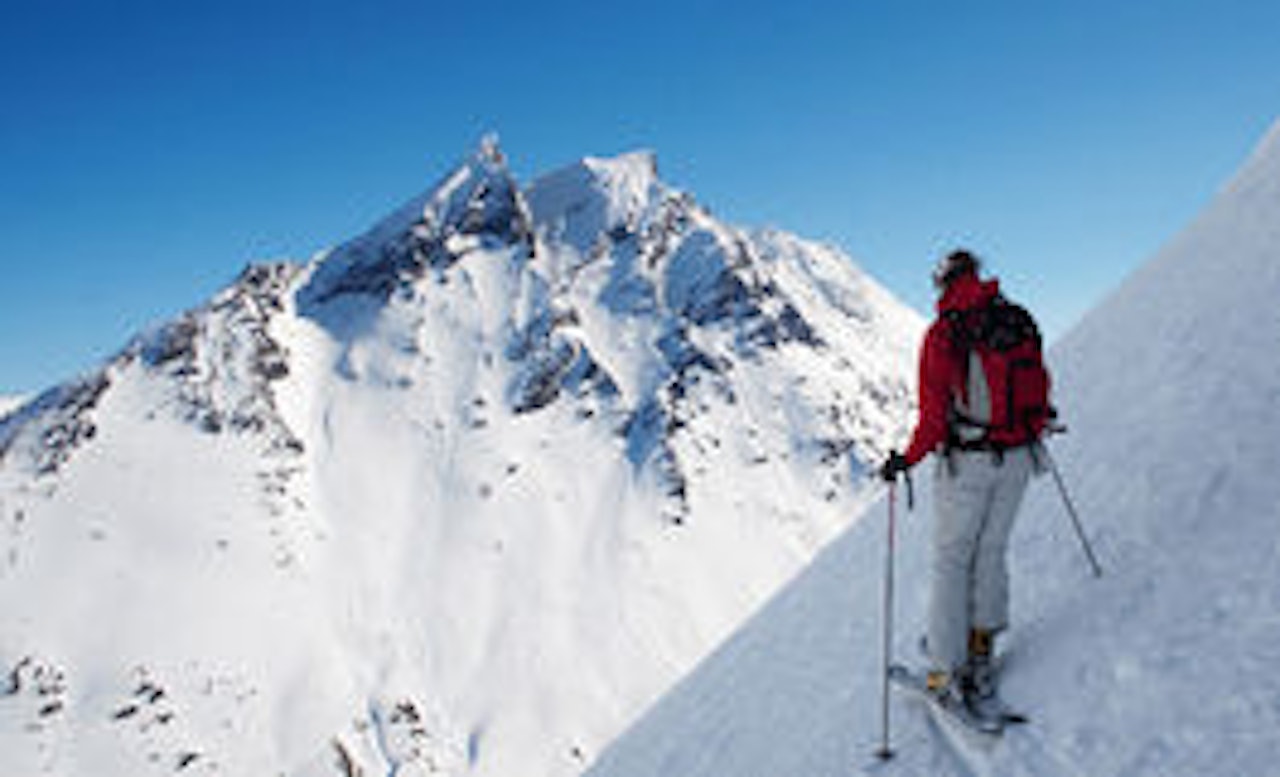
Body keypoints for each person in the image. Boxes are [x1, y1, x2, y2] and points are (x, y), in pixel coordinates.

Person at [880, 249, 1047, 722]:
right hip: (1019, 456)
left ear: (943, 283)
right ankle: (981, 650)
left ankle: (943, 669)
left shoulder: (944, 334)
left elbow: (934, 418)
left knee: (952, 560)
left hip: (970, 461)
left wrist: (905, 460)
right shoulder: (1014, 318)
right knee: (991, 552)